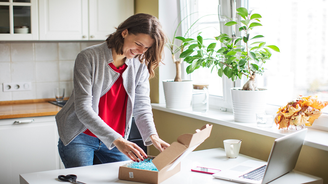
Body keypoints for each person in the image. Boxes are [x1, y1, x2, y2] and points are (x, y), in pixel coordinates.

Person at [56, 13, 170, 168]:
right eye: (138, 43)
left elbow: (142, 106)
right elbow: (83, 108)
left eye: (146, 47)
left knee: (123, 178)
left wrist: (153, 136)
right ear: (124, 32)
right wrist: (118, 140)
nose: (141, 51)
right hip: (81, 137)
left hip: (117, 139)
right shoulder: (89, 57)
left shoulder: (140, 65)